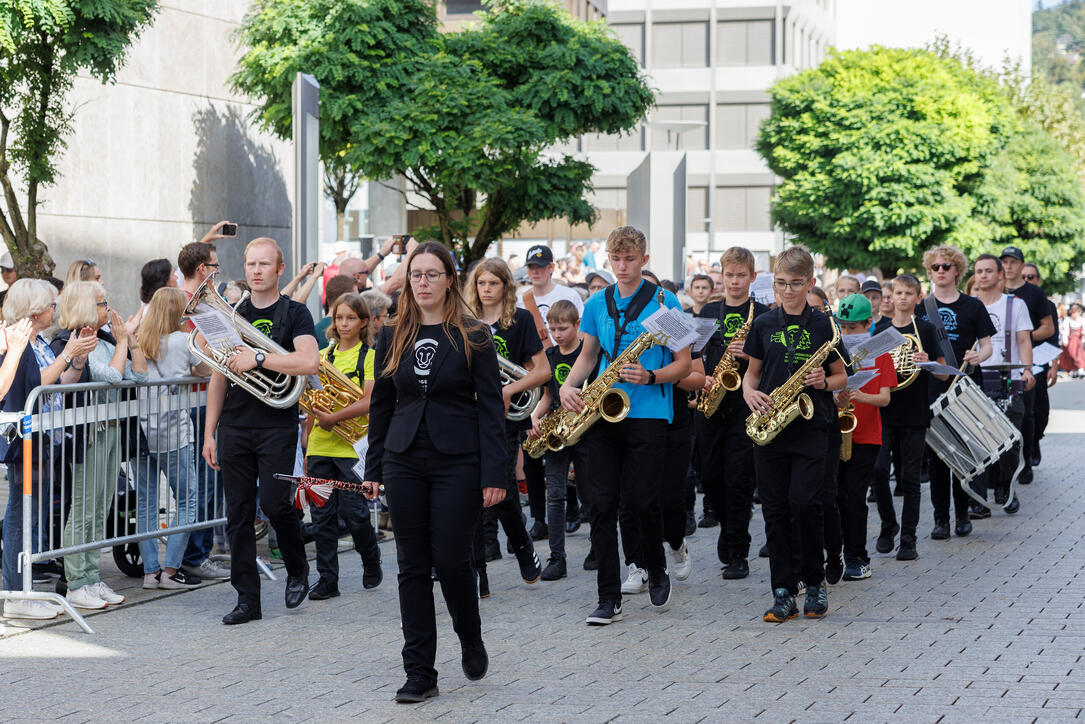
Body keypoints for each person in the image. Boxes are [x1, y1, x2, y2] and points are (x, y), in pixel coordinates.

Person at [362, 241, 506, 703]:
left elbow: (490, 410)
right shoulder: (392, 333)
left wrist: (495, 473)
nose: (422, 282)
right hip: (403, 458)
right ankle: (420, 671)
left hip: (458, 461)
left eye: (431, 274)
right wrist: (375, 466)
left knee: (451, 561)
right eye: (415, 275)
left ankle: (470, 635)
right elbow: (382, 406)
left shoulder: (474, 334)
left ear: (449, 279)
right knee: (411, 566)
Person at [558, 226, 691, 626]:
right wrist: (567, 385)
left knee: (642, 501)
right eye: (616, 259)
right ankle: (607, 596)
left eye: (630, 259)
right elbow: (587, 355)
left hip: (649, 413)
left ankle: (656, 567)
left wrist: (650, 377)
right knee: (600, 505)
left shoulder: (667, 303)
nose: (623, 266)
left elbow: (684, 364)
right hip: (603, 411)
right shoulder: (597, 302)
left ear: (644, 259)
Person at [201, 237, 319, 625]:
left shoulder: (296, 313)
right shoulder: (232, 312)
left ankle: (297, 567)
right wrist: (209, 433)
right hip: (235, 425)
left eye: (264, 264)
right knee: (237, 514)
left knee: (275, 503)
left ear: (279, 269)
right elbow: (219, 375)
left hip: (276, 424)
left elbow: (309, 361)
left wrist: (260, 357)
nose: (256, 271)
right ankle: (247, 600)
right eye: (251, 264)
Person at [742, 245, 848, 622]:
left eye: (796, 284)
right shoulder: (763, 324)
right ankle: (783, 591)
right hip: (770, 427)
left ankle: (815, 583)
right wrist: (749, 393)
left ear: (811, 283)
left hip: (810, 426)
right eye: (781, 283)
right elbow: (751, 375)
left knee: (804, 504)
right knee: (774, 510)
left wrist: (824, 380)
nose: (787, 291)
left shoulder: (823, 324)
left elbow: (842, 376)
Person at [1, 281, 95, 620]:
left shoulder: (38, 341)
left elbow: (59, 385)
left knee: (32, 514)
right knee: (20, 515)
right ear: (34, 309)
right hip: (26, 440)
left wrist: (77, 358)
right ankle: (15, 593)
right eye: (50, 305)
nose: (55, 310)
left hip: (45, 438)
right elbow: (37, 383)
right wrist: (67, 355)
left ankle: (21, 590)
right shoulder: (17, 341)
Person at [57, 281, 147, 609]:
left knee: (101, 507)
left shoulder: (105, 338)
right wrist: (122, 341)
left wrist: (130, 342)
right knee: (83, 508)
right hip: (88, 435)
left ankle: (93, 577)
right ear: (84, 307)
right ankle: (77, 581)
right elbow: (110, 377)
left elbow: (138, 377)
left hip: (110, 431)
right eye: (101, 303)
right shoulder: (75, 340)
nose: (107, 307)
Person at [465, 258, 548, 590]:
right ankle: (478, 571)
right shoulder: (465, 321)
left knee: (501, 489)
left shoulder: (520, 320)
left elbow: (541, 370)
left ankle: (523, 546)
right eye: (481, 284)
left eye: (493, 284)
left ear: (505, 287)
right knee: (471, 492)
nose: (486, 290)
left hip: (505, 417)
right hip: (469, 415)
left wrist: (508, 389)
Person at [303, 292, 382, 599]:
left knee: (356, 515)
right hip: (321, 445)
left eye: (351, 318)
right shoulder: (323, 356)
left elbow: (370, 401)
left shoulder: (370, 357)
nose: (344, 323)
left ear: (364, 322)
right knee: (321, 517)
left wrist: (334, 417)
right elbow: (314, 401)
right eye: (339, 318)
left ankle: (370, 557)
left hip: (351, 449)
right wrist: (307, 438)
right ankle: (327, 579)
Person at [697, 247, 769, 581]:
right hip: (711, 403)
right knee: (711, 478)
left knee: (739, 480)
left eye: (742, 275)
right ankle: (728, 530)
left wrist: (750, 353)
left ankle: (738, 551)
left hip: (745, 406)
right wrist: (703, 377)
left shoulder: (764, 315)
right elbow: (693, 354)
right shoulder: (709, 312)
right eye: (729, 275)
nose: (735, 282)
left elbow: (773, 363)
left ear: (752, 277)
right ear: (721, 276)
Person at [915, 246, 994, 539]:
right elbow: (915, 347)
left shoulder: (973, 306)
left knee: (963, 453)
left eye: (946, 266)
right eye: (934, 267)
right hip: (933, 386)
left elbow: (986, 344)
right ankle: (940, 520)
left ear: (957, 270)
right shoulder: (922, 308)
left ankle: (963, 515)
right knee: (937, 456)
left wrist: (979, 357)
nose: (940, 271)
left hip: (966, 385)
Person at [134, 287, 209, 590]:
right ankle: (170, 570)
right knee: (187, 501)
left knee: (146, 504)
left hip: (142, 432)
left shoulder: (141, 340)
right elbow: (205, 369)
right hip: (174, 433)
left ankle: (150, 573)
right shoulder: (183, 340)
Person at [870, 275, 944, 561]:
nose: (902, 298)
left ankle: (909, 539)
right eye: (897, 292)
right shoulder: (881, 329)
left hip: (914, 410)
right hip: (884, 407)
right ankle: (888, 525)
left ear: (917, 296)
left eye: (908, 293)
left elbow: (941, 371)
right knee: (877, 470)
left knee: (910, 477)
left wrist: (925, 361)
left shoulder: (924, 328)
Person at [175, 240, 231, 582]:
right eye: (214, 266)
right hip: (197, 401)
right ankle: (195, 555)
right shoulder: (183, 303)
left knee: (210, 479)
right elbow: (193, 357)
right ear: (202, 270)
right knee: (206, 480)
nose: (216, 271)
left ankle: (200, 551)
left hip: (205, 400)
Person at [832, 294, 894, 581]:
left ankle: (858, 557)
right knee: (835, 496)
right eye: (844, 327)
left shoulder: (880, 352)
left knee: (855, 497)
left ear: (870, 323)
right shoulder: (834, 349)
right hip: (836, 431)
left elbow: (884, 399)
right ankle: (834, 553)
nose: (848, 333)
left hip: (867, 434)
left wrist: (859, 395)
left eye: (854, 328)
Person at [530, 300, 591, 580]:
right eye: (553, 328)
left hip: (586, 428)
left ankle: (598, 549)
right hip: (557, 432)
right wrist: (534, 417)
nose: (557, 334)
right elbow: (546, 396)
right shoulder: (550, 355)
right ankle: (557, 557)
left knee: (591, 494)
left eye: (563, 328)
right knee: (554, 496)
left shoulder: (587, 352)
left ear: (577, 325)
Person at [970, 254, 1033, 515]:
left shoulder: (1015, 305)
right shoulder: (969, 306)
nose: (983, 275)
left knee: (1009, 440)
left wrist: (1028, 370)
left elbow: (1023, 341)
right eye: (978, 271)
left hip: (1008, 379)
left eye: (988, 271)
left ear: (999, 275)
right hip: (976, 378)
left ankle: (1006, 486)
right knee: (977, 439)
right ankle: (979, 498)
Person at [999, 247, 1053, 487]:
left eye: (1013, 262)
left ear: (1022, 265)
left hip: (1025, 361)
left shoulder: (1034, 293)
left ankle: (1027, 460)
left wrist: (1023, 336)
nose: (1008, 266)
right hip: (997, 363)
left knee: (1027, 414)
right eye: (1005, 262)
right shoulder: (995, 291)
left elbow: (1049, 328)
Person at [1023, 264, 1058, 464]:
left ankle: (1036, 439)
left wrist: (1054, 365)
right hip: (1019, 361)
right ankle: (1028, 449)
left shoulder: (1047, 304)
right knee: (1026, 409)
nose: (1027, 280)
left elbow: (1053, 337)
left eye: (1031, 276)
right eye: (1024, 276)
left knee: (1041, 408)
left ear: (1038, 279)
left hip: (1041, 359)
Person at [518, 244, 584, 347]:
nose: (535, 271)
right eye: (531, 266)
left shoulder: (570, 295)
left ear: (551, 267)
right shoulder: (520, 300)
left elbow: (582, 330)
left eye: (540, 266)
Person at [314, 275, 359, 350]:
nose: (359, 302)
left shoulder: (315, 329)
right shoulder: (347, 329)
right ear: (345, 297)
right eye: (356, 296)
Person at [1060, 303, 1085, 376]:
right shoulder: (1068, 321)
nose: (1075, 315)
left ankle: (1080, 368)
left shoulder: (1082, 320)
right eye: (1073, 313)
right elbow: (1065, 332)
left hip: (1080, 342)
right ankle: (1074, 369)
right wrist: (1065, 341)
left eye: (1076, 313)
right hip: (1071, 342)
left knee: (1080, 355)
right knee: (1071, 354)